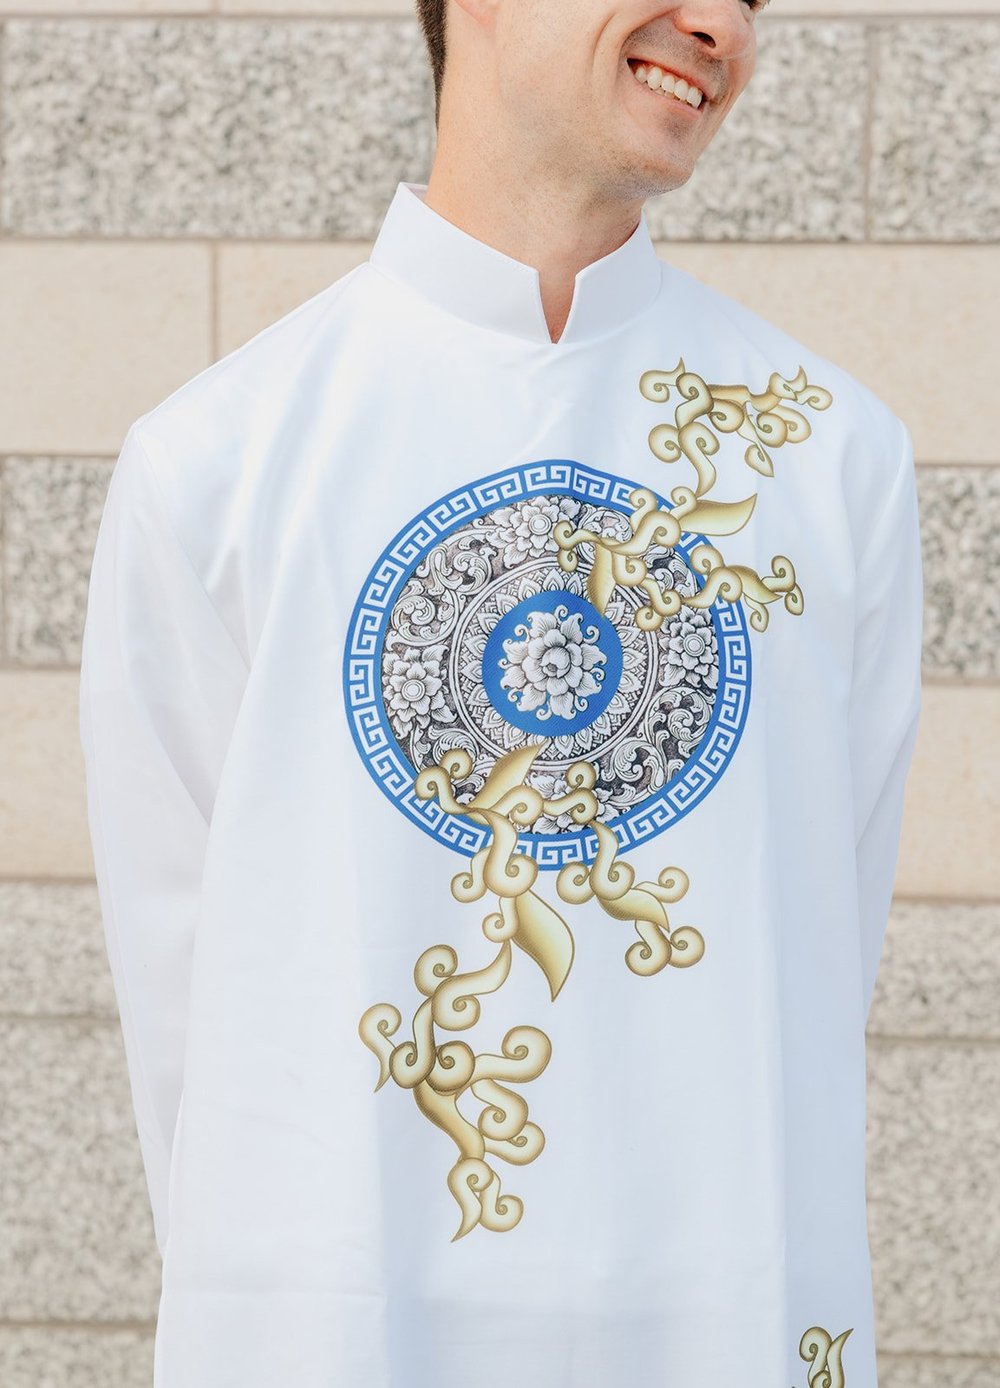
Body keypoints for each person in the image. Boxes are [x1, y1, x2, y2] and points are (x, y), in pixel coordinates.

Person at [78, 0, 923, 1384]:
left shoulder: (828, 463)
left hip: (726, 1314)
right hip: (343, 1331)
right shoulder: (219, 466)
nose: (721, 22)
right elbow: (189, 1018)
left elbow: (819, 967)